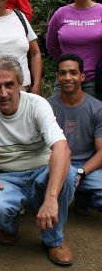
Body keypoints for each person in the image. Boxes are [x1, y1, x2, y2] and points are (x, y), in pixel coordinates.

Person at [0, 55, 76, 266]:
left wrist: (51, 197)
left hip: (41, 172)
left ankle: (53, 240)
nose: (3, 92)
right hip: (6, 177)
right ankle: (8, 225)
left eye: (9, 84)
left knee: (68, 173)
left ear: (21, 83)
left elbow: (61, 148)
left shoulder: (37, 105)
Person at [48, 54, 102, 215]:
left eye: (73, 72)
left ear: (82, 76)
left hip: (88, 167)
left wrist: (80, 172)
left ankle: (83, 197)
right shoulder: (46, 107)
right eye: (63, 73)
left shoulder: (97, 108)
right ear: (57, 77)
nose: (67, 77)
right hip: (55, 165)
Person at [46, 0, 102, 97]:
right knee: (56, 117)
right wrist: (67, 65)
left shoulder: (101, 11)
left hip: (95, 82)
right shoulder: (61, 14)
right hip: (65, 81)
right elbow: (51, 45)